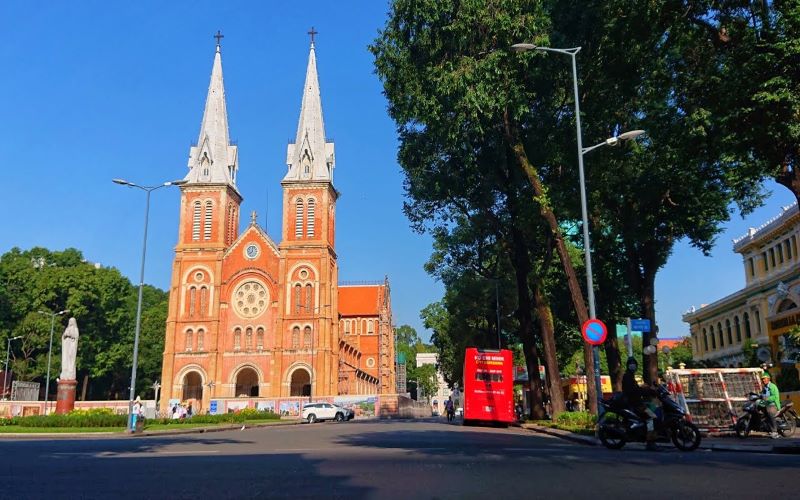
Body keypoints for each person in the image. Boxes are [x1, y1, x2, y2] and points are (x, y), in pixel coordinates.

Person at [622, 356, 658, 451]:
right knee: (651, 417)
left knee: (651, 410)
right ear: (628, 366)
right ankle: (650, 442)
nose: (633, 366)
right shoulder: (627, 377)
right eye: (631, 364)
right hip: (635, 404)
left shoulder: (630, 376)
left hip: (636, 402)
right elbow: (633, 391)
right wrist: (644, 390)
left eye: (634, 364)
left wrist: (645, 389)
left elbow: (636, 390)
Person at [759, 372, 781, 439]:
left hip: (773, 404)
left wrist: (767, 398)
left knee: (769, 413)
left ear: (768, 379)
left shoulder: (772, 386)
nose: (763, 380)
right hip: (767, 404)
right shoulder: (764, 387)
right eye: (762, 379)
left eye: (764, 379)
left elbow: (775, 397)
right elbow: (762, 395)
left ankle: (775, 431)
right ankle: (769, 429)